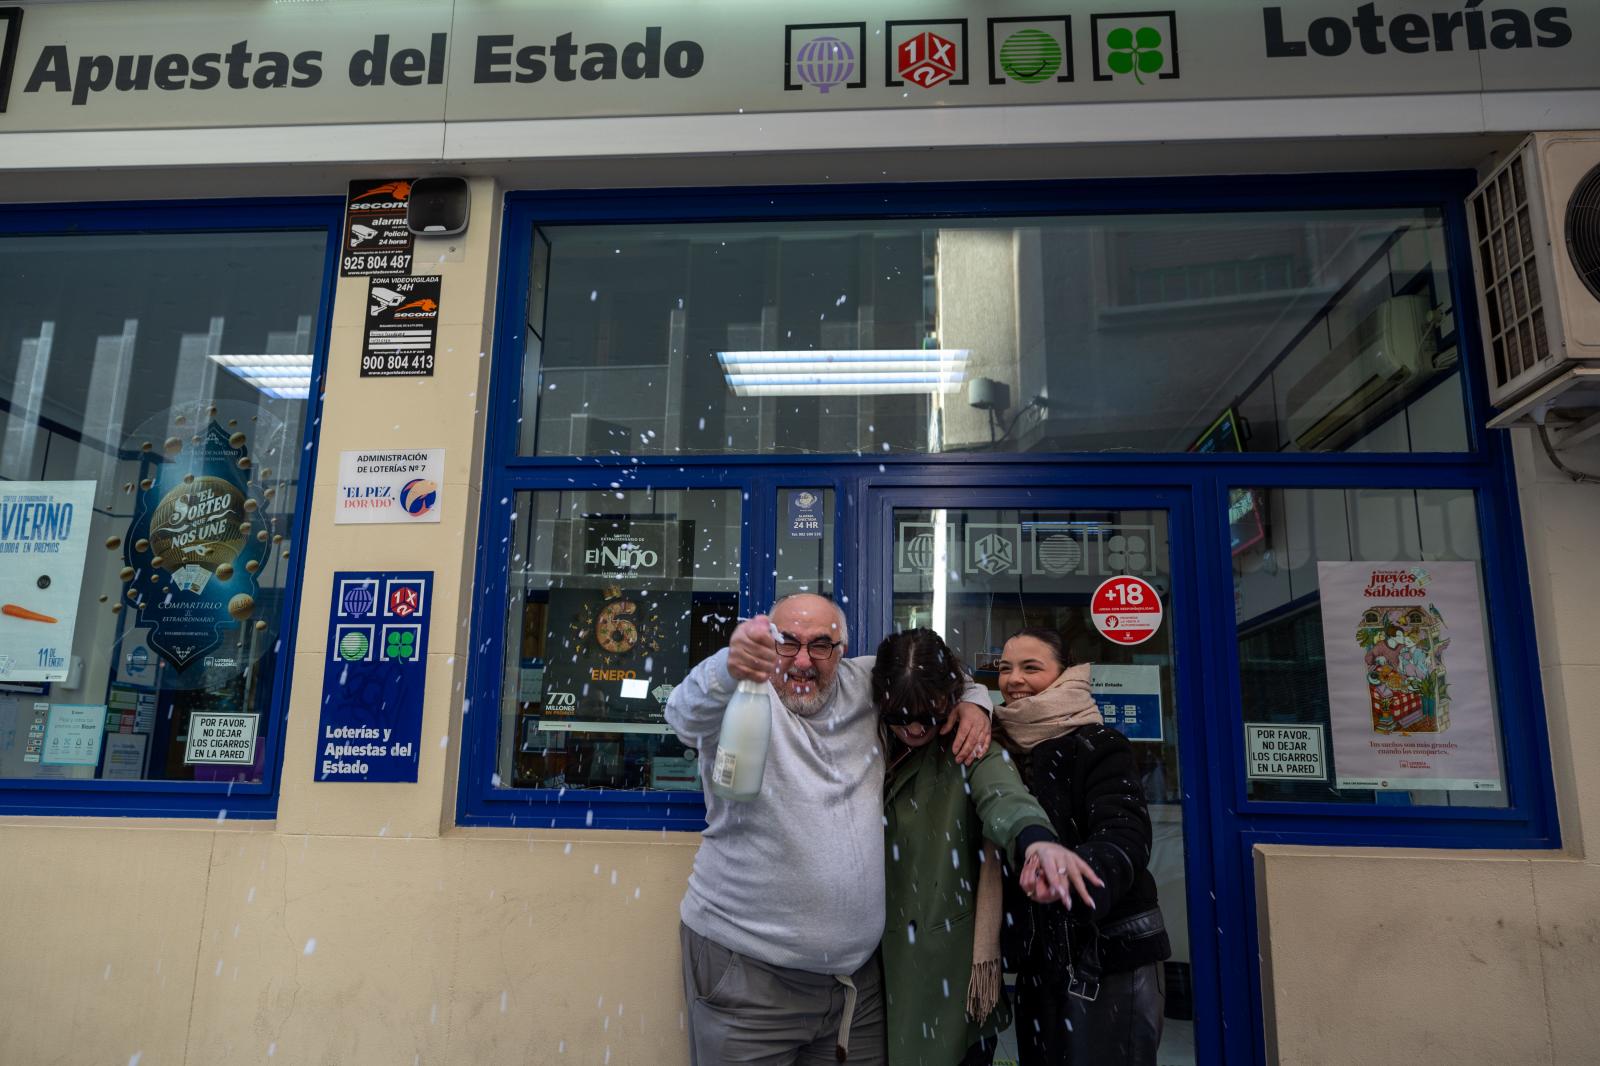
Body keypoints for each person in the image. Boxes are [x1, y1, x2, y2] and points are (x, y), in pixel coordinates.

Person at [664, 594, 993, 1065]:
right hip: (748, 978)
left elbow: (947, 675)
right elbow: (682, 713)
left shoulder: (866, 684)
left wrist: (977, 704)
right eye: (787, 644)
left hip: (855, 990)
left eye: (821, 645)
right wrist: (728, 665)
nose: (802, 661)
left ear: (842, 650)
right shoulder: (737, 692)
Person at [872, 628, 1102, 1066]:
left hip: (943, 970)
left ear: (951, 697)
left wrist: (1036, 841)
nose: (917, 728)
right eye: (901, 717)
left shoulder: (968, 744)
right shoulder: (865, 739)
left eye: (930, 714)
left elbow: (1004, 798)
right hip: (861, 961)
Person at [994, 627, 1172, 1066]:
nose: (1013, 679)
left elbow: (1125, 835)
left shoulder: (1099, 744)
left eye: (1031, 667)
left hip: (1106, 955)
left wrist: (1071, 872)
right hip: (1041, 959)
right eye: (1004, 668)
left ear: (1064, 674)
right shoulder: (998, 748)